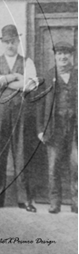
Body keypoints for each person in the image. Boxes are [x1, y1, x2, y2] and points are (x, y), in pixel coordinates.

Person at [0, 24, 39, 212]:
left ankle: (25, 199)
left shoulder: (27, 61)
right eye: (7, 42)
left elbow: (31, 85)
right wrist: (15, 77)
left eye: (13, 41)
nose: (10, 45)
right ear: (2, 43)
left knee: (22, 156)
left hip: (21, 115)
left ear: (18, 42)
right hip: (0, 114)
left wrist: (6, 81)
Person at [37, 41, 77, 214]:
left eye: (66, 54)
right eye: (59, 54)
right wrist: (40, 129)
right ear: (55, 56)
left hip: (75, 128)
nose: (63, 57)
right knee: (53, 167)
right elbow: (39, 105)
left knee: (76, 165)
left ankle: (76, 202)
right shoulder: (47, 77)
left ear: (71, 56)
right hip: (54, 127)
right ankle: (55, 203)